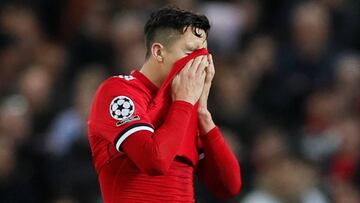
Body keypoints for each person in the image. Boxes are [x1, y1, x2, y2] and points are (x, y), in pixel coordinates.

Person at [88, 6, 241, 203]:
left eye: (204, 53)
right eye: (191, 51)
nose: (202, 61)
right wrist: (184, 103)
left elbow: (229, 186)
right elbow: (154, 161)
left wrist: (203, 114)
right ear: (159, 52)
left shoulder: (185, 108)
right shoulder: (117, 91)